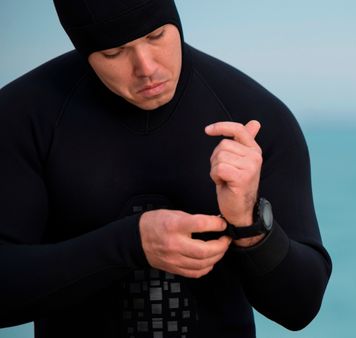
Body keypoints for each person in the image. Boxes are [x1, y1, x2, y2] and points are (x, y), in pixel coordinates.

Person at [0, 0, 332, 337]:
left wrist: (249, 223)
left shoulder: (252, 115)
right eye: (115, 53)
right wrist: (132, 244)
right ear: (84, 50)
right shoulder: (23, 118)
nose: (145, 67)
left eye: (157, 36)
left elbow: (299, 308)